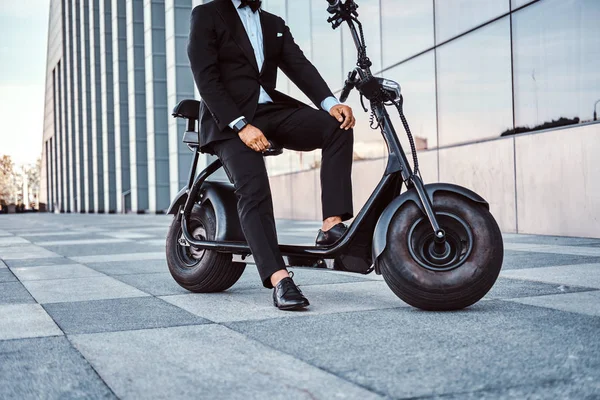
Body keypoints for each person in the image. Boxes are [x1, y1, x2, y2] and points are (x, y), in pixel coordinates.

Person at [188, 0, 355, 311]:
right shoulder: (208, 14)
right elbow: (205, 76)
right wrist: (240, 125)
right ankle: (280, 279)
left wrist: (331, 103)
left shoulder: (273, 23)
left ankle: (331, 225)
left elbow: (300, 67)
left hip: (271, 111)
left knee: (337, 128)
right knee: (253, 189)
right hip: (229, 121)